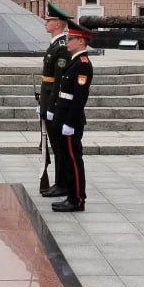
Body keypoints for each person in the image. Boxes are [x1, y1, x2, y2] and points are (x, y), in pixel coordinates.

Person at [50, 20, 94, 213]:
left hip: (70, 119)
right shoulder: (74, 61)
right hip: (63, 115)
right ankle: (71, 195)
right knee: (67, 159)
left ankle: (77, 199)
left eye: (71, 39)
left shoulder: (83, 65)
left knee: (73, 160)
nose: (67, 41)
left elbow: (79, 98)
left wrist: (69, 122)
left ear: (81, 41)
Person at [39, 2, 72, 199]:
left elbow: (58, 81)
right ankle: (59, 182)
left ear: (57, 24)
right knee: (55, 145)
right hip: (48, 100)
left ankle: (62, 184)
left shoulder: (61, 47)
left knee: (59, 147)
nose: (45, 23)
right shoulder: (55, 45)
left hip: (56, 104)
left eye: (48, 20)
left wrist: (51, 107)